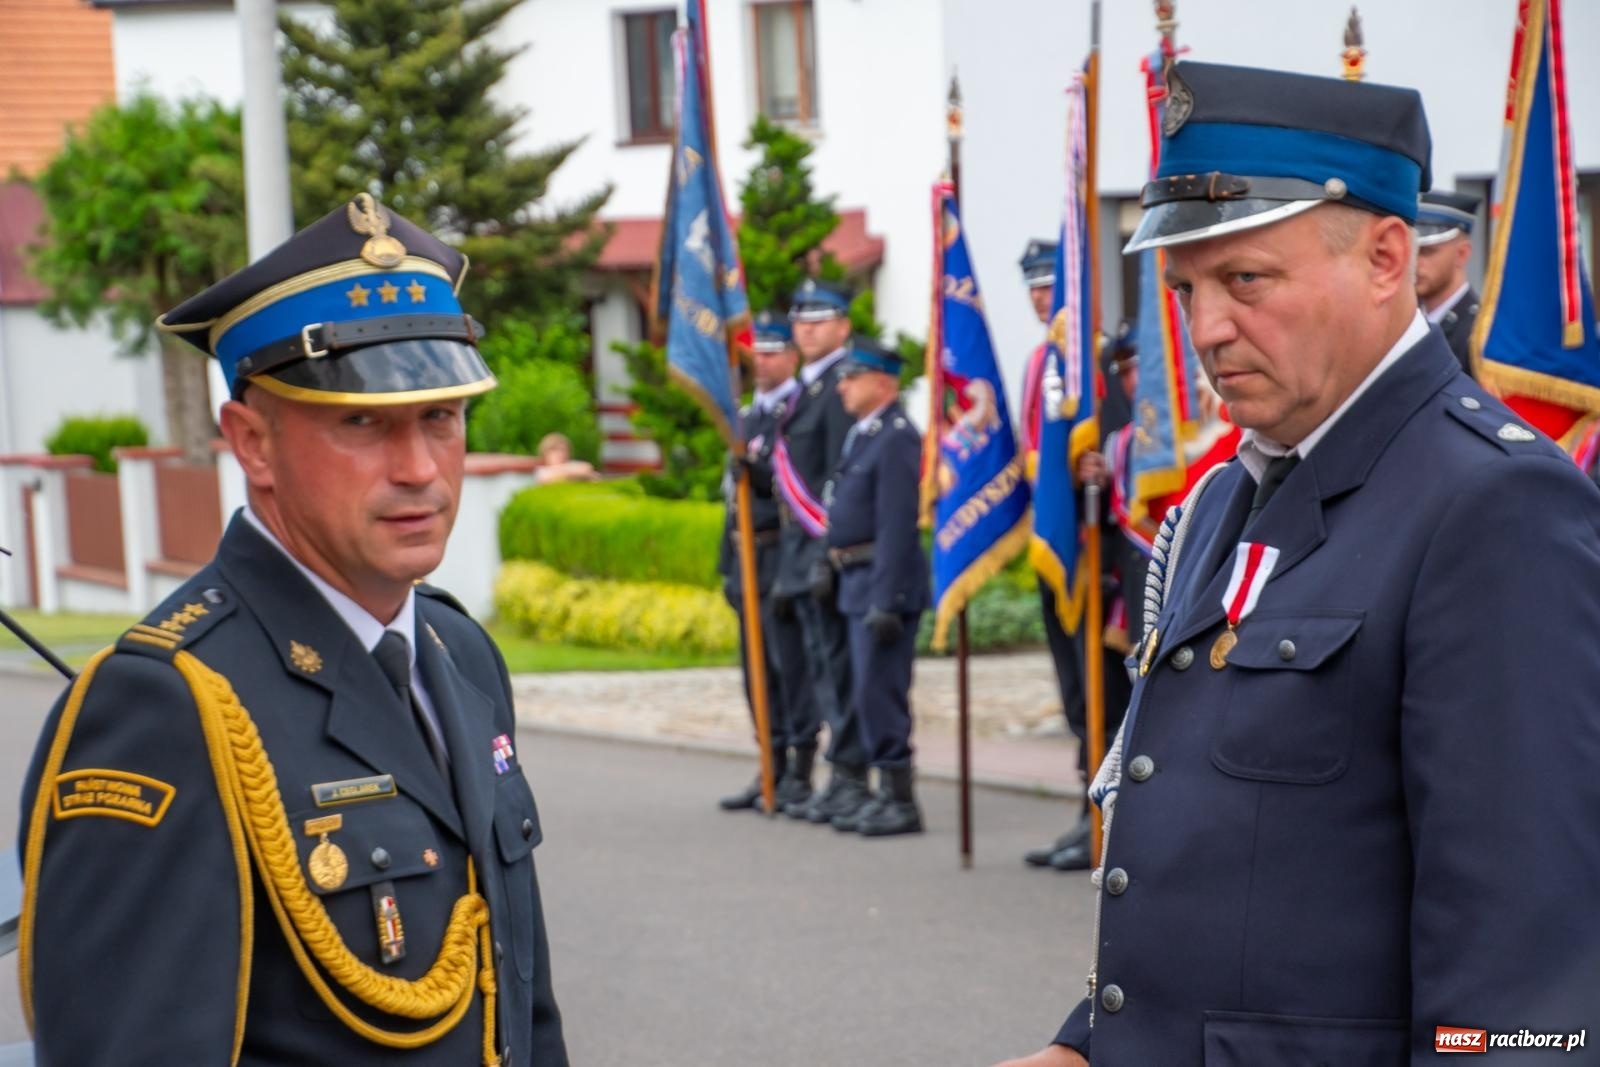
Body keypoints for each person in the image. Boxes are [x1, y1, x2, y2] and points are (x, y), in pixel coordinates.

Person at [996, 60, 1600, 1066]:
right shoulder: (1225, 495)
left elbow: (1521, 963)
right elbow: (1223, 850)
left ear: (1383, 257)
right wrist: (1085, 1045)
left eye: (1246, 279)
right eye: (1186, 287)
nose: (1205, 329)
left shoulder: (1492, 504)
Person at [18, 194, 567, 1065]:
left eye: (441, 416)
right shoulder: (166, 708)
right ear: (253, 443)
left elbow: (520, 1008)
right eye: (363, 423)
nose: (420, 468)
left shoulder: (459, 654)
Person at [1015, 239, 1103, 872]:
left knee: (1100, 684)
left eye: (1051, 284)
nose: (1042, 296)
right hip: (1055, 542)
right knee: (1074, 690)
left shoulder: (1093, 360)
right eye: (1035, 286)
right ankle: (1085, 805)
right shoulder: (1037, 364)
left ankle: (1103, 813)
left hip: (1092, 548)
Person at [772, 279, 872, 825]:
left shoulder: (839, 384)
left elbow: (838, 477)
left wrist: (823, 551)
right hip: (798, 548)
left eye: (820, 318)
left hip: (823, 548)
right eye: (800, 318)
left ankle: (850, 773)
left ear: (843, 325)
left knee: (838, 669)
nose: (806, 328)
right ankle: (840, 772)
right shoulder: (808, 387)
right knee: (821, 668)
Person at [823, 339, 929, 836]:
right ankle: (882, 789)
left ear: (882, 381)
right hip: (855, 581)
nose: (842, 384)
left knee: (880, 689)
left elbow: (895, 525)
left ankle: (899, 799)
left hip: (883, 585)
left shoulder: (898, 437)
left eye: (852, 375)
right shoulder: (864, 435)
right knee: (862, 690)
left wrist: (888, 598)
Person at [716, 311, 820, 812]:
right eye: (757, 352)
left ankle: (799, 769)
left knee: (788, 667)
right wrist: (725, 566)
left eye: (773, 351)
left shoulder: (798, 411)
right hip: (746, 558)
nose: (762, 361)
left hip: (780, 553)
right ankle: (769, 764)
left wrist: (757, 473)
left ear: (792, 356)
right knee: (754, 671)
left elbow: (791, 488)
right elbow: (729, 503)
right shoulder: (746, 416)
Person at [1414, 188, 1482, 377]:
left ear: (1462, 254)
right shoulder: (1407, 321)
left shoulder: (1480, 332)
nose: (1415, 263)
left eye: (1427, 252)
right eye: (1412, 251)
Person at [534, 432, 598, 484]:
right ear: (545, 453)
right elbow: (545, 478)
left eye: (563, 450)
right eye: (555, 450)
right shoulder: (542, 470)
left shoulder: (573, 464)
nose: (560, 454)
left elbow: (587, 467)